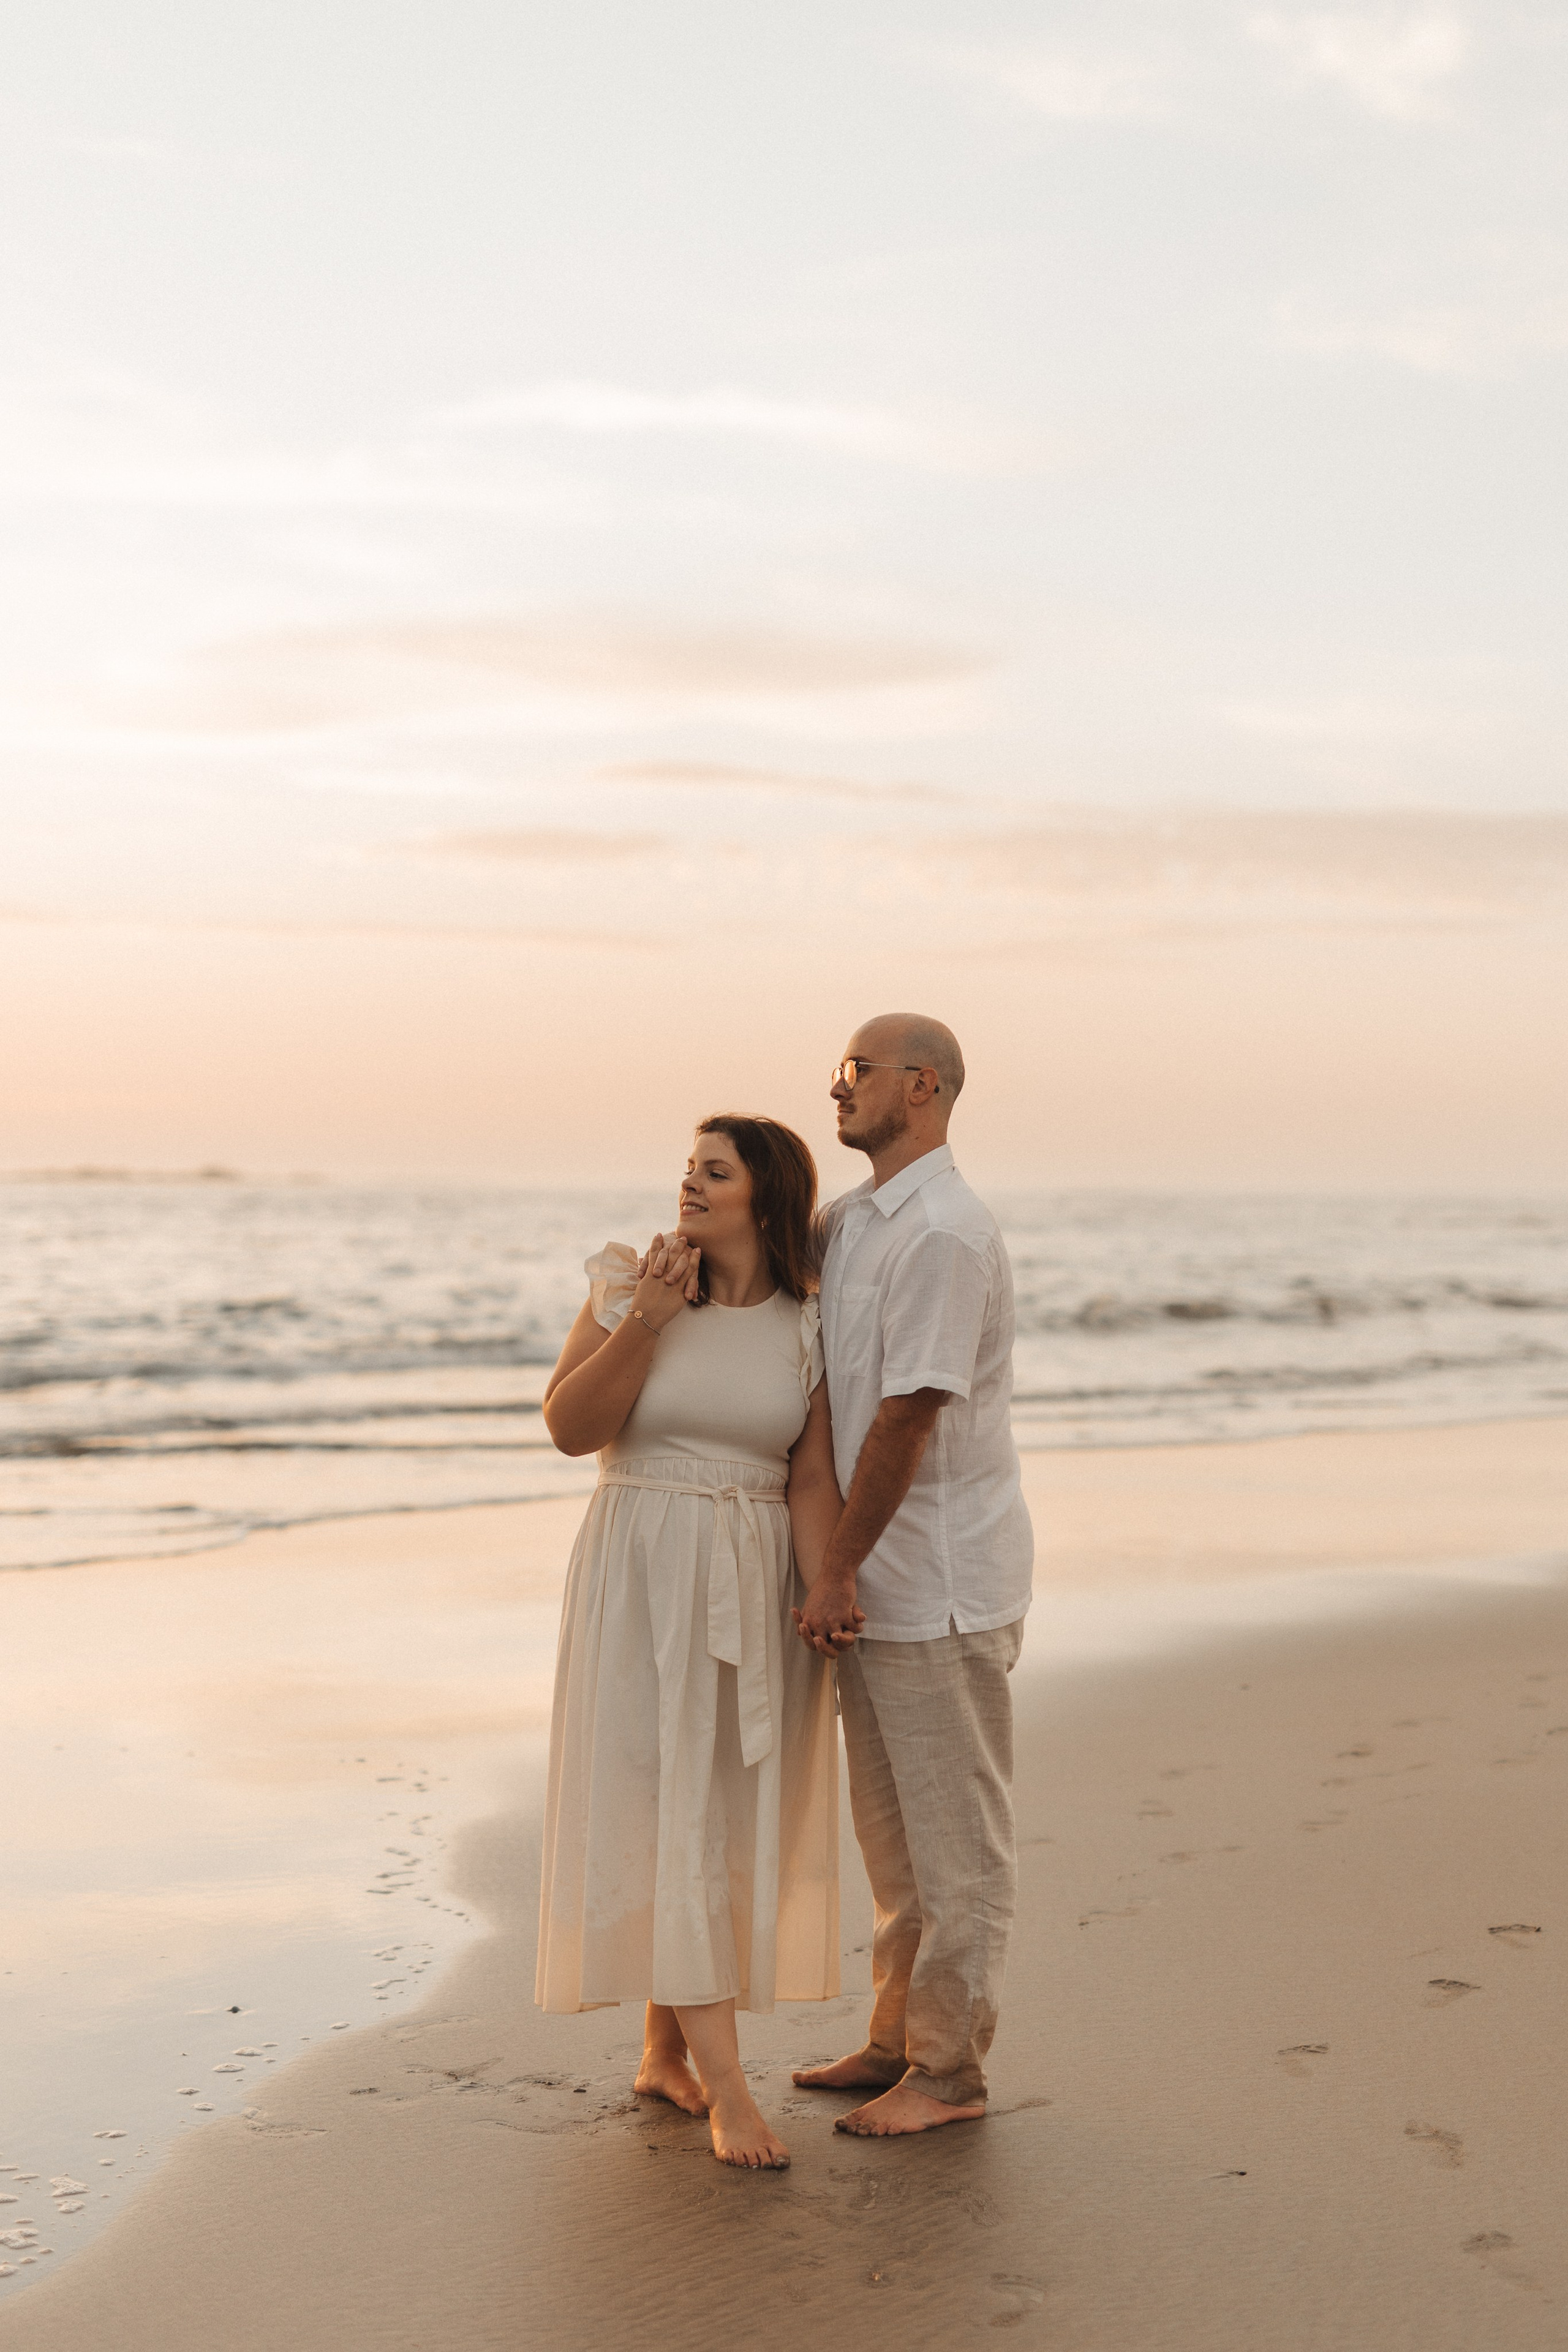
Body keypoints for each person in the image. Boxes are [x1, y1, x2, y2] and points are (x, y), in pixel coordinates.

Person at [535, 1114, 842, 2170]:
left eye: (715, 1171)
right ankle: (727, 2092)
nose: (690, 1186)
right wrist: (648, 1322)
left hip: (754, 1581)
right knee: (667, 1805)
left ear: (766, 1195)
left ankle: (662, 2055)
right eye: (688, 1169)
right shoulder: (634, 1285)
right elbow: (573, 1428)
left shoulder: (809, 1321)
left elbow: (807, 1474)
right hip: (641, 1570)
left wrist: (822, 1591)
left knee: (712, 1813)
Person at [791, 1013, 1033, 2137]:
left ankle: (949, 2076)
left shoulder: (942, 1231)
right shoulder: (852, 1223)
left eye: (857, 1071)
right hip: (870, 1586)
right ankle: (895, 2042)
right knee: (893, 1841)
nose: (835, 1087)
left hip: (936, 1581)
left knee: (957, 1844)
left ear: (923, 1087)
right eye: (838, 1071)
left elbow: (905, 1419)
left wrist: (833, 1570)